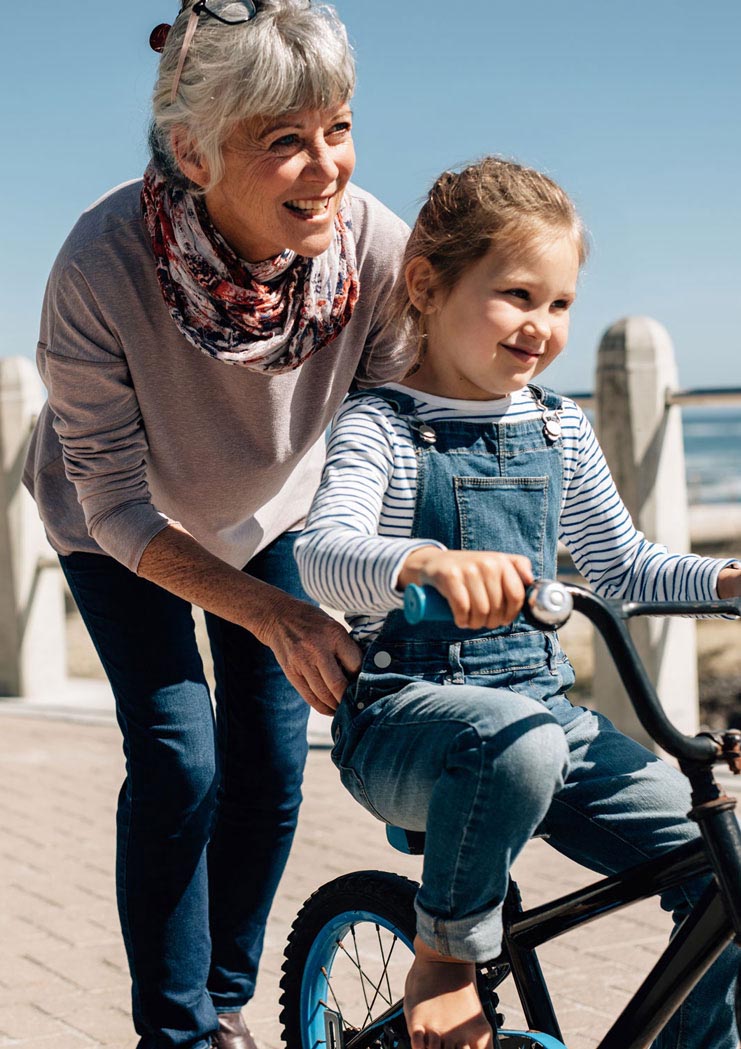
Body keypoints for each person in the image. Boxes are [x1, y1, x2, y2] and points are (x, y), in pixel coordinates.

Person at [22, 2, 411, 1047]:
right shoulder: (99, 265)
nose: (326, 165)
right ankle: (178, 1031)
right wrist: (277, 616)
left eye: (337, 126)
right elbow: (112, 500)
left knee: (276, 763)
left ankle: (226, 1001)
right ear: (194, 152)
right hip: (120, 520)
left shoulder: (373, 247)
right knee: (181, 754)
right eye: (284, 140)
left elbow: (400, 429)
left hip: (269, 506)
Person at [295, 156, 741, 1049]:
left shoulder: (556, 425)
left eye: (560, 304)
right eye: (515, 296)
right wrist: (420, 562)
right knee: (516, 743)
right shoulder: (380, 425)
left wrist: (724, 584)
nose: (540, 327)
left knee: (723, 871)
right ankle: (445, 952)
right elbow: (322, 557)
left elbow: (623, 569)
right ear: (426, 284)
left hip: (545, 717)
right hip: (406, 718)